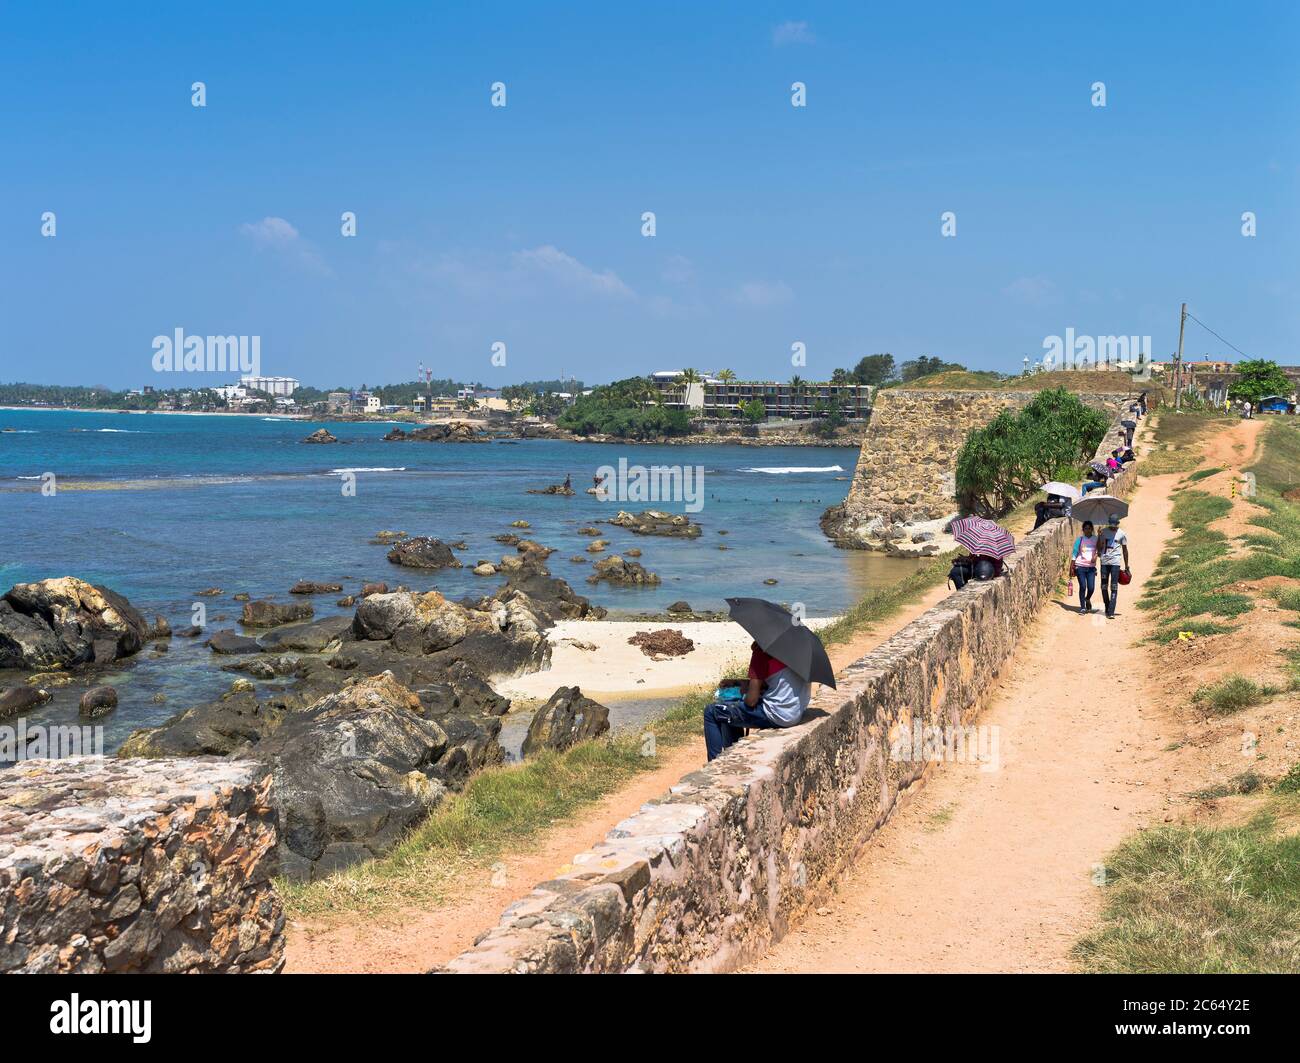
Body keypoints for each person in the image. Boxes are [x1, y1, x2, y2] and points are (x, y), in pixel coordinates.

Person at [702, 641, 812, 761]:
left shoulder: (762, 652)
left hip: (777, 715)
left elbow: (751, 701)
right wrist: (739, 682)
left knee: (711, 712)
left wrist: (756, 656)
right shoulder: (796, 649)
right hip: (795, 712)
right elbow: (777, 682)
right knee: (729, 711)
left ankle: (714, 762)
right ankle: (732, 754)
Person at [1098, 515, 1131, 619]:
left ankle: (1111, 611)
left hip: (1115, 563)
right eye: (1111, 525)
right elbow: (1098, 547)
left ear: (1117, 523)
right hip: (1104, 561)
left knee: (1114, 586)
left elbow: (1125, 550)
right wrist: (1099, 536)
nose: (1113, 527)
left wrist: (1127, 566)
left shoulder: (1122, 534)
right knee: (1103, 586)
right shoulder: (1103, 532)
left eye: (1114, 525)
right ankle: (1107, 606)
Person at [1071, 520, 1099, 614]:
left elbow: (1100, 549)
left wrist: (1096, 555)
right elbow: (1074, 553)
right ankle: (1082, 607)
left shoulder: (1096, 539)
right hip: (1080, 566)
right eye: (1086, 528)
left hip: (1091, 568)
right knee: (1083, 586)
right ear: (1083, 529)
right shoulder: (1080, 540)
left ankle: (1087, 599)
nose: (1088, 530)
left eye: (1089, 528)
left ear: (1092, 529)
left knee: (1091, 588)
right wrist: (1072, 567)